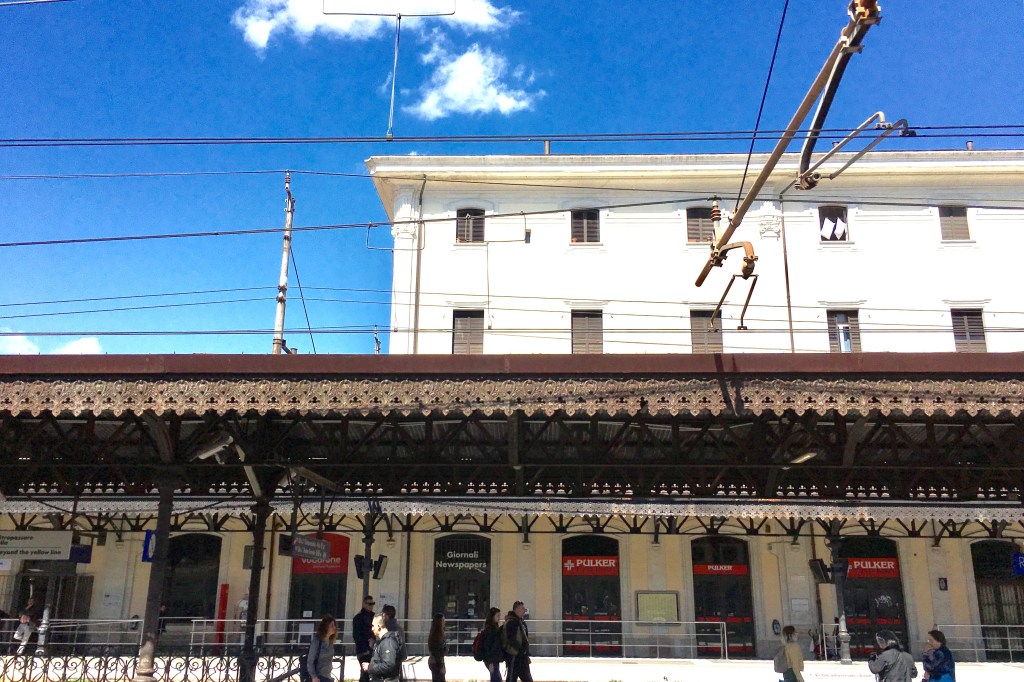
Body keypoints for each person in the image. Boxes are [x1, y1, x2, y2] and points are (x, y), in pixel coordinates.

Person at [501, 601, 533, 682]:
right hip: (514, 656)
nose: (524, 610)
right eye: (522, 608)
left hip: (522, 657)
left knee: (527, 678)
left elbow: (524, 638)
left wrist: (526, 653)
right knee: (511, 678)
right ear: (517, 610)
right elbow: (511, 640)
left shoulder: (521, 622)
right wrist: (522, 650)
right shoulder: (512, 622)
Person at [364, 614, 401, 682]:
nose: (372, 629)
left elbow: (388, 665)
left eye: (373, 626)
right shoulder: (382, 642)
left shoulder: (388, 642)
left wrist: (370, 667)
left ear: (379, 627)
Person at [307, 614, 338, 682]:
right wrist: (314, 677)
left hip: (327, 676)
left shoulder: (330, 642)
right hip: (318, 677)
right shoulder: (316, 641)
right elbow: (310, 661)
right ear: (326, 627)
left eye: (334, 625)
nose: (334, 628)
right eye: (332, 626)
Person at [353, 595, 376, 682]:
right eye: (369, 604)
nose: (371, 606)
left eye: (372, 604)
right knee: (365, 673)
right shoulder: (358, 618)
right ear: (364, 604)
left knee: (370, 673)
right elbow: (356, 635)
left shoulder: (374, 616)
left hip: (372, 649)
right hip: (363, 650)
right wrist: (365, 649)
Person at [479, 607, 504, 682]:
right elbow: (487, 647)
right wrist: (490, 662)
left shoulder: (494, 628)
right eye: (497, 616)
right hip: (491, 660)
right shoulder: (490, 630)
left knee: (496, 678)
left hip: (494, 659)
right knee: (496, 678)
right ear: (492, 617)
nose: (499, 618)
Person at [381, 604, 407, 673]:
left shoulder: (385, 629)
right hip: (398, 660)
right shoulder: (399, 628)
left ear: (386, 616)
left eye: (382, 615)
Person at [427, 613, 447, 682]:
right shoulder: (436, 636)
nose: (445, 622)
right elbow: (437, 652)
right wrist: (441, 666)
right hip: (436, 662)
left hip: (436, 661)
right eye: (443, 620)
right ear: (439, 622)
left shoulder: (437, 634)